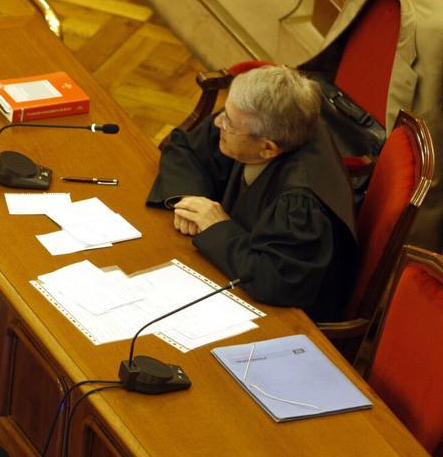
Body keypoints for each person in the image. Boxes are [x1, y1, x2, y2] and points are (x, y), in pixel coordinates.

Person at [147, 65, 358, 322]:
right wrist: (192, 205)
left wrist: (217, 228)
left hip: (285, 320)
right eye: (225, 113)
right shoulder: (260, 121)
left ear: (267, 149)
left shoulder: (300, 204)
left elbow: (275, 280)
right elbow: (186, 150)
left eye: (228, 122)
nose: (218, 123)